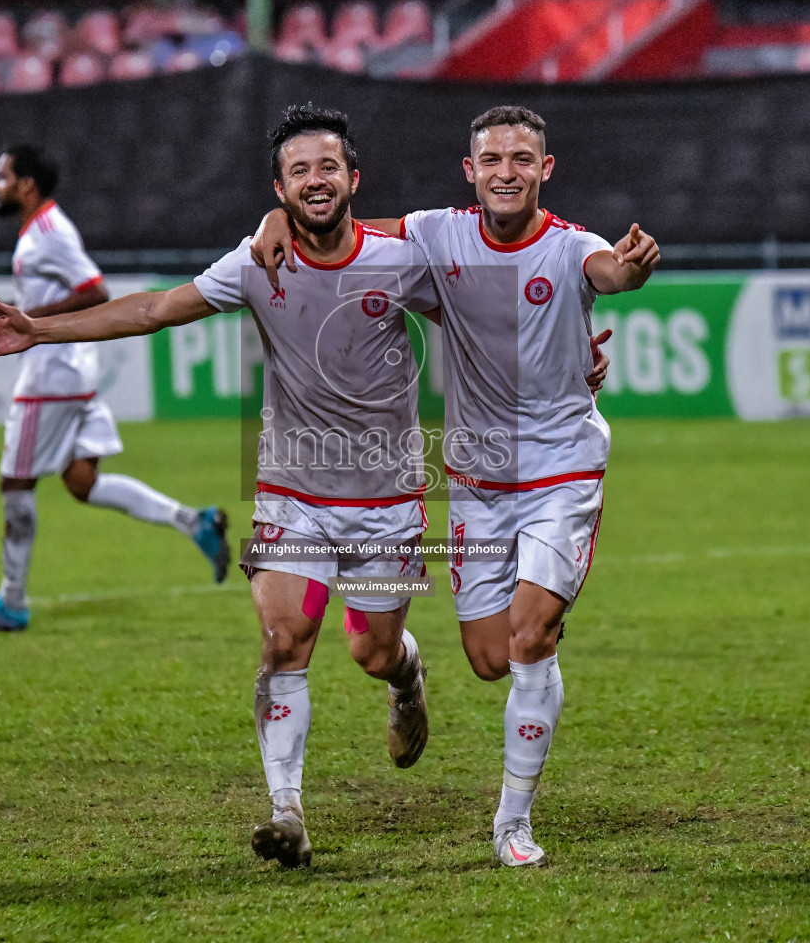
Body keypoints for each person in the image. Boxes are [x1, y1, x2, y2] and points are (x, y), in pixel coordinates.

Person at [0, 107, 436, 868]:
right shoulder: (256, 262)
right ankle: (288, 813)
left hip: (386, 499)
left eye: (328, 167)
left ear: (354, 178)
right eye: (299, 171)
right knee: (285, 643)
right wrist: (39, 330)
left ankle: (407, 680)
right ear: (279, 186)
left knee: (373, 654)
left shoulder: (403, 260)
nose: (317, 180)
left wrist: (570, 363)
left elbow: (482, 319)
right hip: (293, 493)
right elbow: (152, 309)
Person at [250, 105, 660, 867]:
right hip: (477, 477)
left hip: (562, 468)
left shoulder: (577, 247)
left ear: (546, 170)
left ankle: (513, 824)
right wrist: (279, 219)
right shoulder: (437, 233)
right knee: (490, 657)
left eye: (522, 158)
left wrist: (630, 272)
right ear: (470, 173)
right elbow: (342, 224)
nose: (508, 170)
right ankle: (483, 651)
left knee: (530, 637)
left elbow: (610, 272)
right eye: (493, 159)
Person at [0, 144, 230, 632]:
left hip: (51, 375)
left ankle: (11, 601)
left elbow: (94, 291)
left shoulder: (50, 232)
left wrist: (27, 322)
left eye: (3, 177)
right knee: (82, 482)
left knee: (15, 483)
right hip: (72, 371)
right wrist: (17, 308)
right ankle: (194, 521)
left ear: (28, 185)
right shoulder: (42, 230)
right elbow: (62, 293)